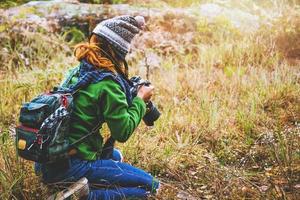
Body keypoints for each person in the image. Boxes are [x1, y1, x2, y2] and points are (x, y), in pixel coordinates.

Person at [37, 15, 160, 199]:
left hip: (47, 162)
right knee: (151, 187)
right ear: (116, 50)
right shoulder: (108, 84)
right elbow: (123, 132)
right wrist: (140, 99)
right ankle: (84, 196)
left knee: (115, 156)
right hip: (73, 164)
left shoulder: (78, 72)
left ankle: (75, 184)